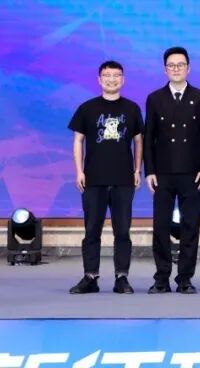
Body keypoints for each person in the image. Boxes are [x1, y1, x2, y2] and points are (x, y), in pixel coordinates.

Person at [68, 60, 144, 295]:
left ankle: (122, 277)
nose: (112, 79)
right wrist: (79, 171)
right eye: (107, 75)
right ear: (99, 80)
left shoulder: (132, 108)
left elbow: (138, 141)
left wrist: (137, 170)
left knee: (123, 231)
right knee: (92, 230)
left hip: (123, 179)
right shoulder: (87, 108)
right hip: (93, 179)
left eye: (116, 75)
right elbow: (78, 140)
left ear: (123, 79)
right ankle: (90, 277)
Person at [143, 46, 200, 294]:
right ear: (165, 70)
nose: (176, 69)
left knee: (190, 225)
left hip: (192, 172)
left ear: (188, 68)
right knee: (161, 226)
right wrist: (149, 170)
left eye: (180, 65)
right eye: (171, 65)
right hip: (162, 172)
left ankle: (185, 278)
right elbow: (149, 137)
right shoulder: (155, 98)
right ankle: (161, 277)